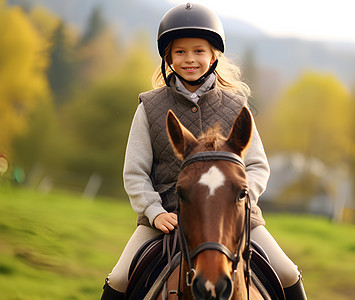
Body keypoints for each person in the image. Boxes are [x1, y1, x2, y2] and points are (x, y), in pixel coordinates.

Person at [100, 3, 307, 299]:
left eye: (198, 50)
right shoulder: (149, 107)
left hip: (233, 215)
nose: (190, 59)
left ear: (214, 56)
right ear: (168, 57)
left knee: (287, 272)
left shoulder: (237, 106)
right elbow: (135, 172)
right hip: (167, 218)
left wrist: (237, 200)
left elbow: (258, 166)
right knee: (119, 278)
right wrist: (154, 211)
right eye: (180, 51)